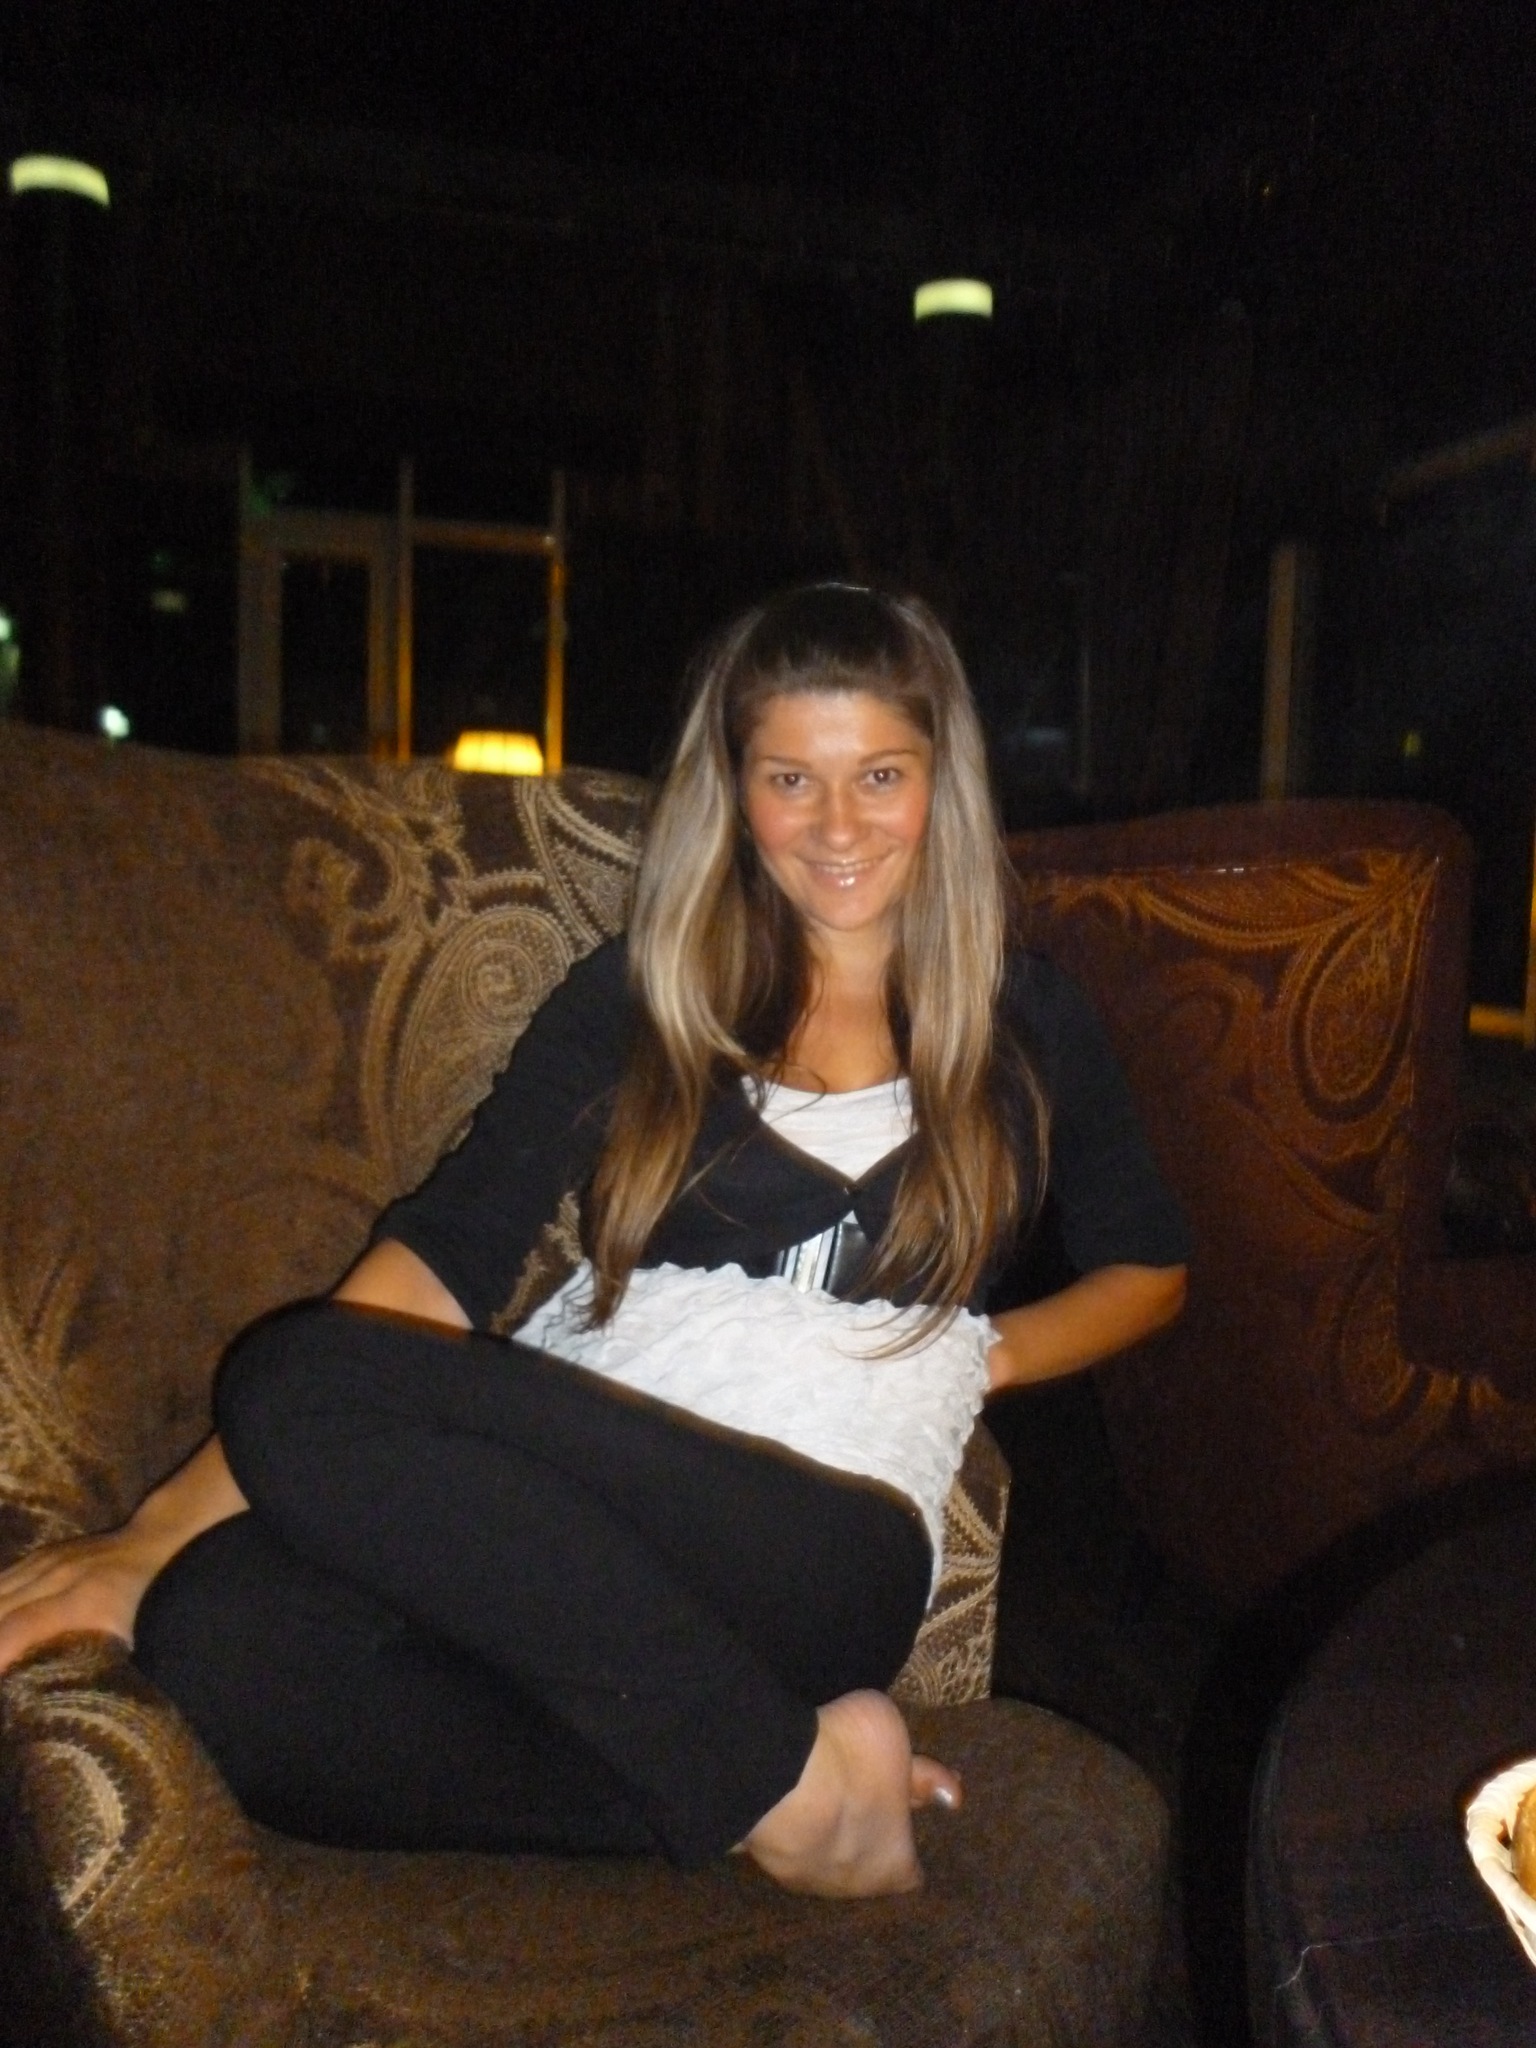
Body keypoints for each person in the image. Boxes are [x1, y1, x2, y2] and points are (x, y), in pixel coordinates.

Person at [0, 585, 1188, 1898]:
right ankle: (789, 1784)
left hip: (820, 1546)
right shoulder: (644, 994)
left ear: (939, 783)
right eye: (791, 778)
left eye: (880, 776)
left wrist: (980, 1355)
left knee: (296, 1377)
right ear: (736, 788)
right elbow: (450, 1252)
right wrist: (154, 1549)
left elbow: (1150, 1269)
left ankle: (752, 1764)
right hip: (583, 1501)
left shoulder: (1028, 1022)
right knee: (217, 1635)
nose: (838, 827)